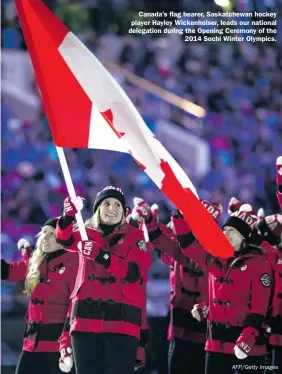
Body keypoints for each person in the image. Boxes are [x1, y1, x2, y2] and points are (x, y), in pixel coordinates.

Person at [55, 186, 152, 374]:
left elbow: (134, 272)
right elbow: (64, 239)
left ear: (124, 212)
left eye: (117, 205)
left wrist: (101, 256)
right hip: (85, 323)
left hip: (122, 325)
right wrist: (68, 216)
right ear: (98, 208)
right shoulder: (85, 233)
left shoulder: (135, 237)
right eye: (106, 203)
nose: (112, 208)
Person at [171, 204, 273, 374]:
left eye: (231, 230)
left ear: (244, 236)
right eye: (224, 230)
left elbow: (259, 307)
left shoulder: (259, 264)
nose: (224, 234)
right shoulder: (215, 259)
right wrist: (180, 217)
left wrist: (247, 340)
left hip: (249, 348)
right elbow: (188, 245)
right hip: (215, 345)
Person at [131, 198, 222, 374]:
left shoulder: (219, 253)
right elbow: (164, 243)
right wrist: (150, 220)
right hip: (180, 330)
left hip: (209, 335)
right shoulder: (182, 247)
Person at [1, 218, 78, 374]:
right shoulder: (36, 263)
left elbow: (76, 307)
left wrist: (67, 343)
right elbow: (9, 271)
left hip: (58, 348)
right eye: (44, 232)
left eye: (52, 233)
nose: (45, 237)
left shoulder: (74, 263)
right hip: (31, 343)